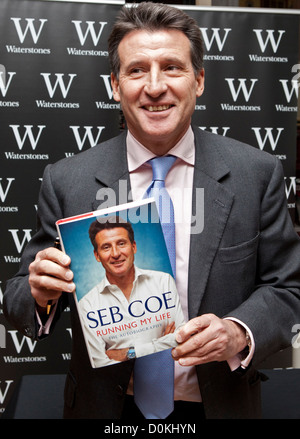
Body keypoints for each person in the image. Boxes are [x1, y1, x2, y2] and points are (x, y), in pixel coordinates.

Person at [3, 2, 300, 419]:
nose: (155, 86)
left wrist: (237, 332)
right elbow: (18, 300)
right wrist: (39, 293)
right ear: (115, 84)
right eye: (137, 70)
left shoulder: (257, 174)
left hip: (219, 405)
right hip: (106, 407)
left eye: (173, 68)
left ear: (198, 81)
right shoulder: (67, 180)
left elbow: (289, 289)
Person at [78, 218, 185, 368]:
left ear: (133, 246)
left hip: (169, 376)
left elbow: (181, 336)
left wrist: (129, 353)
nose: (115, 254)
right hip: (121, 388)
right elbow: (100, 361)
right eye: (106, 247)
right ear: (97, 255)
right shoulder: (87, 304)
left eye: (121, 243)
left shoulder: (163, 282)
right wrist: (162, 344)